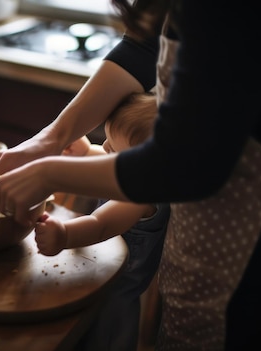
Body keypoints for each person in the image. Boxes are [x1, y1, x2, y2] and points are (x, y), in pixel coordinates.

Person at [0, 0, 261, 349]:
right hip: (188, 252)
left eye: (115, 147)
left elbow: (116, 211)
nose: (106, 150)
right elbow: (143, 48)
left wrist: (54, 190)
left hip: (249, 251)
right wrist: (54, 141)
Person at [35, 92, 170, 351]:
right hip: (97, 279)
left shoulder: (141, 197)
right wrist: (86, 152)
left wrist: (63, 234)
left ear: (144, 166)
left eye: (114, 149)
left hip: (113, 300)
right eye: (106, 140)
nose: (105, 148)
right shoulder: (141, 175)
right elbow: (113, 167)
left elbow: (100, 225)